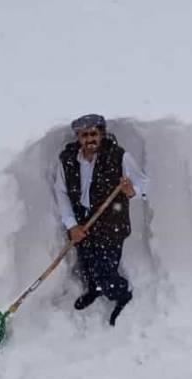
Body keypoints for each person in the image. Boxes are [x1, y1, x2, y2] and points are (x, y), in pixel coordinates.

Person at [54, 113, 148, 326]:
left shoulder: (118, 156)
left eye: (94, 134)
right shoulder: (67, 160)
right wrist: (72, 225)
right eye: (84, 135)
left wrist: (131, 190)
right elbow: (61, 192)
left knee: (105, 268)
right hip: (82, 224)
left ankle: (120, 293)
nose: (90, 139)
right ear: (78, 137)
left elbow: (144, 184)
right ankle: (94, 290)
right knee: (87, 264)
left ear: (102, 134)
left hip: (111, 224)